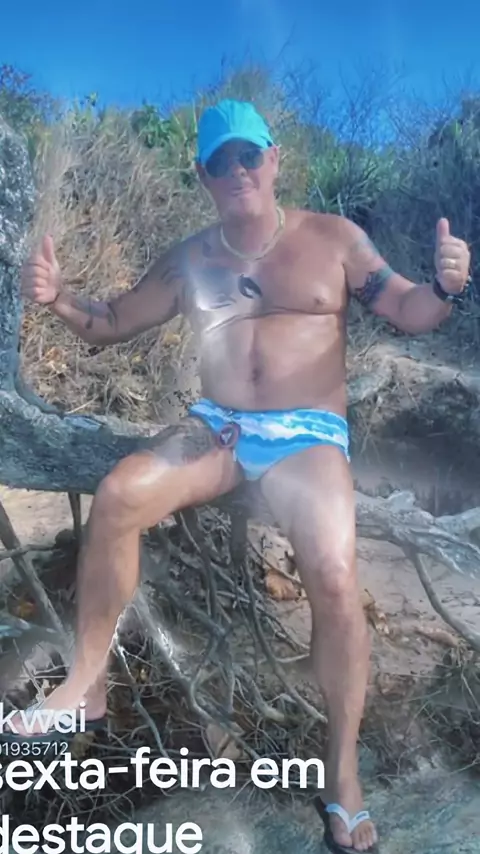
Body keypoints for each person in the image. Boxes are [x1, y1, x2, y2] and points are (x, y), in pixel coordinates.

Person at [12, 99, 471, 853]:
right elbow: (114, 321)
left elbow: (410, 310)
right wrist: (59, 298)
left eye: (249, 155)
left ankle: (342, 773)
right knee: (121, 495)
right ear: (202, 174)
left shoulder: (334, 238)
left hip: (306, 437)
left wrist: (447, 286)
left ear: (274, 159)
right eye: (221, 161)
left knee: (333, 573)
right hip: (217, 429)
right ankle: (86, 687)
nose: (237, 171)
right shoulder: (191, 258)